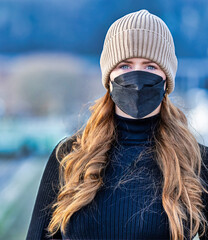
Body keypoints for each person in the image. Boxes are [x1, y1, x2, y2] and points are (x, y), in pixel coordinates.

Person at [26, 9, 208, 240]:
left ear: (167, 78)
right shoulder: (69, 157)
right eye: (125, 65)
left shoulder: (196, 162)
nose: (137, 76)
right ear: (108, 77)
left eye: (150, 66)